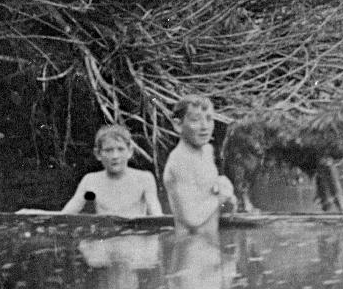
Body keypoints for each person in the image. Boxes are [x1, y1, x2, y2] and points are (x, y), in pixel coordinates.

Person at [162, 95, 238, 233]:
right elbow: (192, 219)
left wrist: (225, 199)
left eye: (209, 119)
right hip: (190, 248)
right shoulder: (179, 162)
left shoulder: (207, 150)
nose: (205, 127)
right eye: (196, 120)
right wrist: (221, 197)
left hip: (211, 242)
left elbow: (205, 197)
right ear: (178, 125)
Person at [61, 124, 162, 217]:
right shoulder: (91, 180)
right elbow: (64, 216)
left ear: (130, 151)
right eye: (108, 150)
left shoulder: (144, 179)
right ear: (98, 154)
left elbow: (157, 217)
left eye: (121, 149)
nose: (115, 156)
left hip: (135, 235)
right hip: (106, 235)